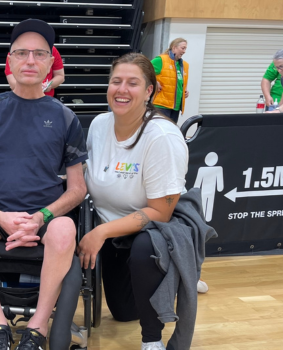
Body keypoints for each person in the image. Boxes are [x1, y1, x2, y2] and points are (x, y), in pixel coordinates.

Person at [0, 19, 87, 350]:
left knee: (65, 231)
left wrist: (42, 217)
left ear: (49, 63)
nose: (30, 60)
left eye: (39, 54)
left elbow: (77, 189)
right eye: (22, 53)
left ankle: (37, 327)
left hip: (42, 219)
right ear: (10, 61)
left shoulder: (65, 117)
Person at [80, 52, 189, 350]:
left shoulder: (162, 136)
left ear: (149, 91)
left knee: (144, 249)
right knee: (124, 313)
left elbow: (161, 212)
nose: (122, 90)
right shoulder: (100, 125)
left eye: (133, 83)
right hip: (111, 228)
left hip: (152, 229)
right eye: (116, 81)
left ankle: (152, 340)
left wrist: (100, 232)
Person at [151, 38, 189, 123]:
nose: (184, 51)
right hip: (161, 106)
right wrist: (154, 82)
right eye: (183, 48)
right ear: (174, 48)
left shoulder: (184, 65)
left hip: (176, 107)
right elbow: (142, 71)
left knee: (171, 132)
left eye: (185, 49)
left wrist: (184, 91)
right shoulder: (161, 60)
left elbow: (178, 83)